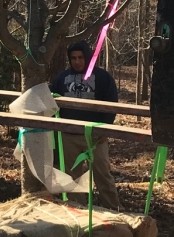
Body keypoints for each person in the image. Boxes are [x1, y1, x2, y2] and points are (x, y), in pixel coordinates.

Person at [50, 40, 121, 210]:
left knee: (102, 175)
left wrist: (105, 130)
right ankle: (77, 210)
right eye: (73, 58)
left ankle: (114, 210)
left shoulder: (103, 78)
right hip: (69, 136)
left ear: (87, 57)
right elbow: (53, 105)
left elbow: (111, 105)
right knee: (71, 177)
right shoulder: (61, 78)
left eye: (81, 57)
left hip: (95, 136)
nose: (77, 61)